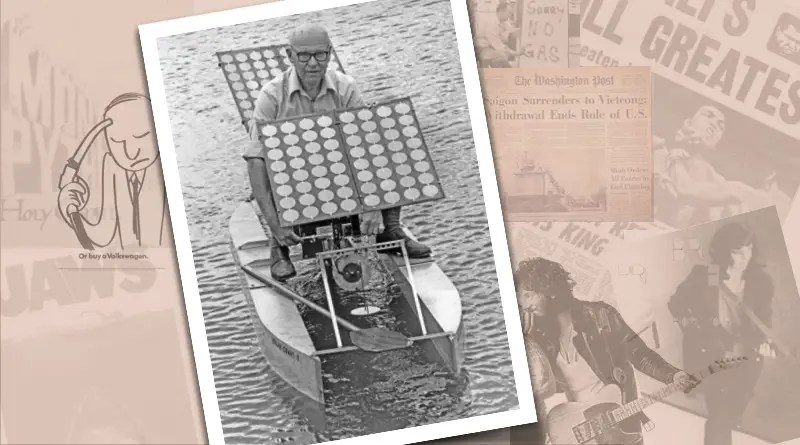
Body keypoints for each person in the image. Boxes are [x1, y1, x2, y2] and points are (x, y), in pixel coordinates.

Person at [243, 24, 431, 280]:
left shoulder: (345, 87)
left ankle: (390, 228)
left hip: (338, 169)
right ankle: (280, 247)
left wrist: (374, 204)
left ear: (330, 53)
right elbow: (256, 161)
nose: (312, 63)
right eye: (304, 56)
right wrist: (273, 223)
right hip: (296, 174)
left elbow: (367, 145)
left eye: (320, 55)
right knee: (273, 162)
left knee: (390, 136)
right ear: (290, 55)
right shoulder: (272, 94)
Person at [515, 257, 699, 445]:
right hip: (582, 432)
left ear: (548, 288)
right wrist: (523, 339)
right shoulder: (539, 338)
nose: (525, 304)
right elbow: (533, 389)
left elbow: (639, 354)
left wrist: (673, 375)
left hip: (619, 424)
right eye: (521, 299)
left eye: (529, 294)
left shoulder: (601, 316)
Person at [668, 222, 776, 445]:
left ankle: (731, 418)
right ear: (725, 252)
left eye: (748, 249)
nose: (745, 256)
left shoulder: (760, 282)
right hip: (712, 358)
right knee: (719, 416)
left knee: (735, 407)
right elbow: (676, 305)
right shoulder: (706, 276)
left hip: (745, 359)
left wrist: (762, 343)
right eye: (738, 251)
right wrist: (695, 331)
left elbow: (764, 320)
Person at [57, 93, 168, 249]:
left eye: (141, 136)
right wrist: (70, 211)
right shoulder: (112, 165)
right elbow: (103, 235)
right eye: (118, 141)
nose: (131, 153)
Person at [653, 105, 756, 228]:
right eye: (708, 115)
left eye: (720, 125)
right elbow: (682, 187)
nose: (714, 123)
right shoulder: (657, 150)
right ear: (688, 122)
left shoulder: (717, 181)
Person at [475, 2, 523, 68]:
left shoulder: (502, 21)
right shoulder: (491, 24)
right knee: (502, 56)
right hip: (481, 48)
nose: (510, 15)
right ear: (501, 11)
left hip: (491, 46)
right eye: (509, 13)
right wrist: (517, 53)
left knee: (503, 58)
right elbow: (500, 47)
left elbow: (513, 30)